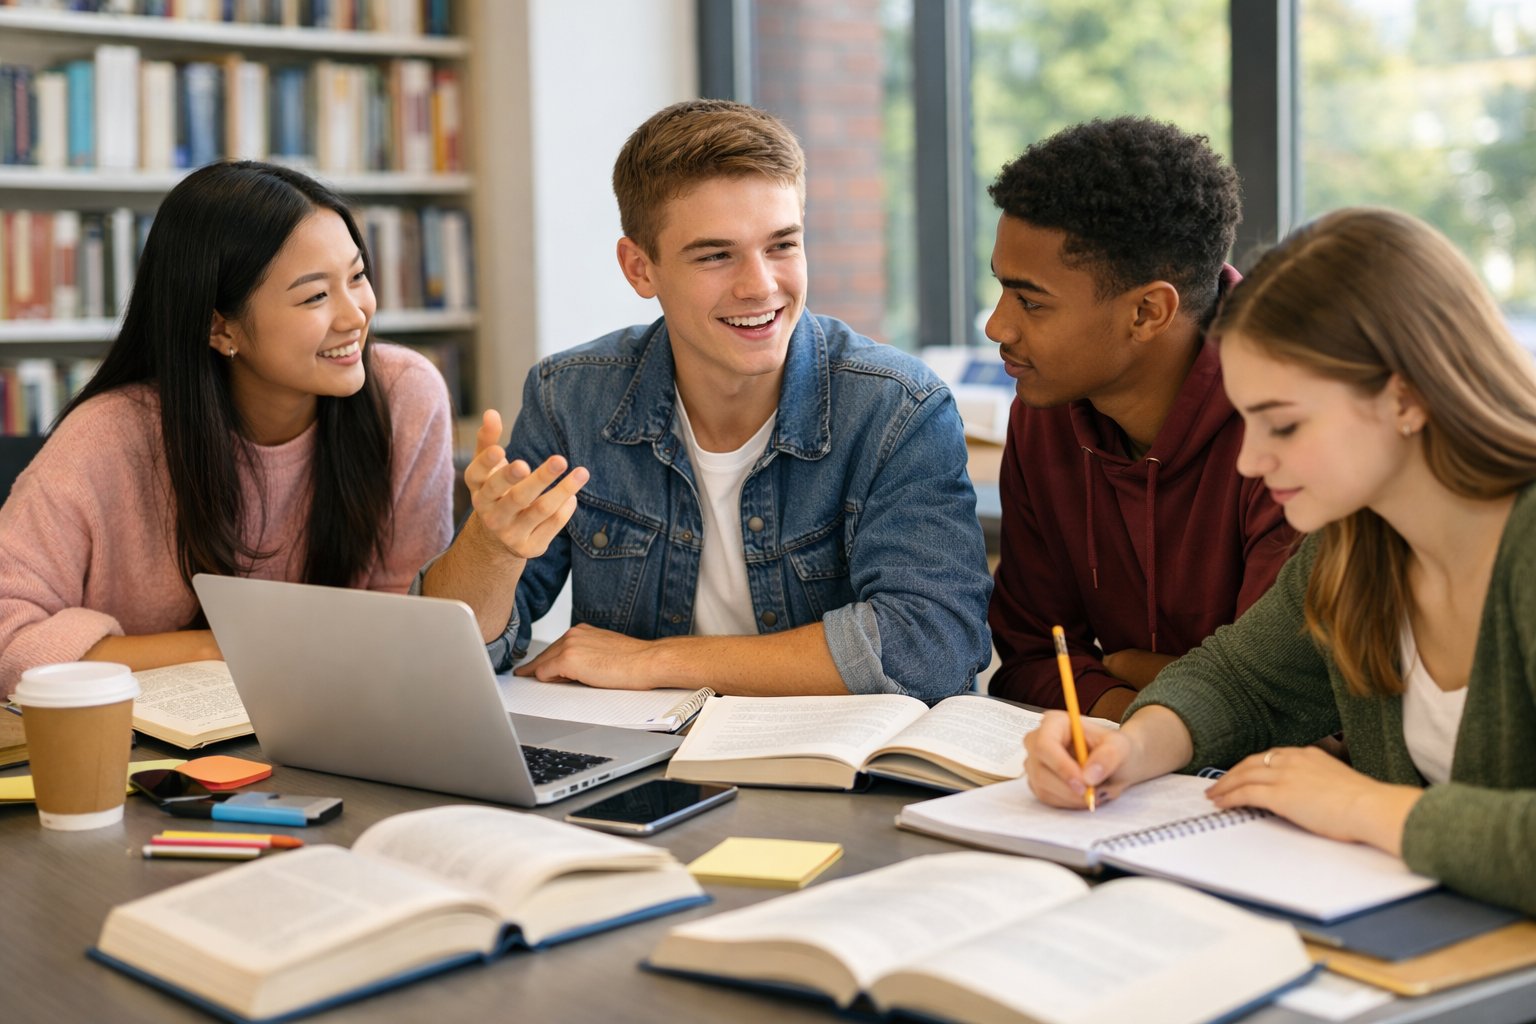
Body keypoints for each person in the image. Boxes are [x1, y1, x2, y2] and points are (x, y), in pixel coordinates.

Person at [1025, 207, 1536, 914]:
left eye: (1284, 423)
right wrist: (1127, 752)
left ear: (1407, 397)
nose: (1252, 459)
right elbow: (1242, 683)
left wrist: (1365, 807)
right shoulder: (1358, 540)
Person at [420, 99, 992, 701]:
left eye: (782, 246)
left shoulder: (897, 409)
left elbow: (931, 647)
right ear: (640, 269)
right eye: (716, 255)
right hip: (648, 769)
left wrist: (656, 662)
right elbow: (453, 654)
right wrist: (491, 545)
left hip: (843, 777)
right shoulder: (570, 397)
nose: (760, 286)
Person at [0, 161, 455, 697]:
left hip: (341, 721)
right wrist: (214, 649)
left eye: (357, 276)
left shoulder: (404, 395)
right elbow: (9, 637)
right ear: (220, 327)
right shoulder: (109, 435)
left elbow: (408, 616)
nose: (356, 314)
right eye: (314, 296)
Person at [984, 117, 1296, 720]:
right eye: (1001, 289)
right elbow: (1029, 659)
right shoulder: (1044, 412)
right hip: (1135, 773)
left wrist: (1122, 673)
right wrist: (1137, 706)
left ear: (1149, 312)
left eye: (1030, 301)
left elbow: (1276, 694)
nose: (997, 326)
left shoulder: (1290, 419)